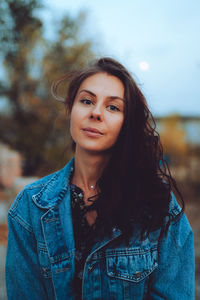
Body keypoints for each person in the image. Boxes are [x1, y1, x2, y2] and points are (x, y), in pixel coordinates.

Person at [6, 57, 195, 300]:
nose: (95, 113)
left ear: (128, 124)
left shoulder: (159, 206)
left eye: (113, 107)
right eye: (86, 101)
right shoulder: (30, 207)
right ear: (71, 110)